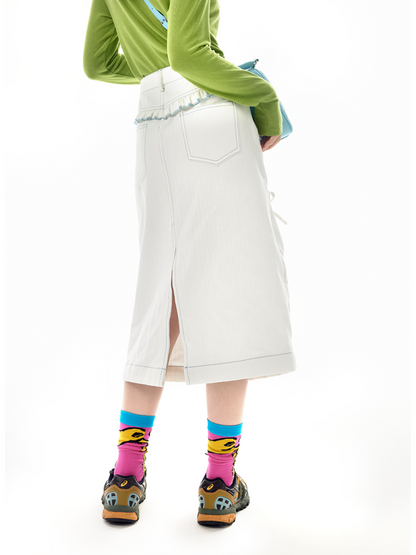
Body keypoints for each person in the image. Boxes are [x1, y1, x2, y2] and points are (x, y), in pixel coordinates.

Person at [83, 0, 296, 527]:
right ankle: (219, 485)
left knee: (161, 296)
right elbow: (189, 55)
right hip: (211, 118)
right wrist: (265, 97)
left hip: (153, 126)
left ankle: (125, 479)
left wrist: (157, 73)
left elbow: (98, 62)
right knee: (226, 295)